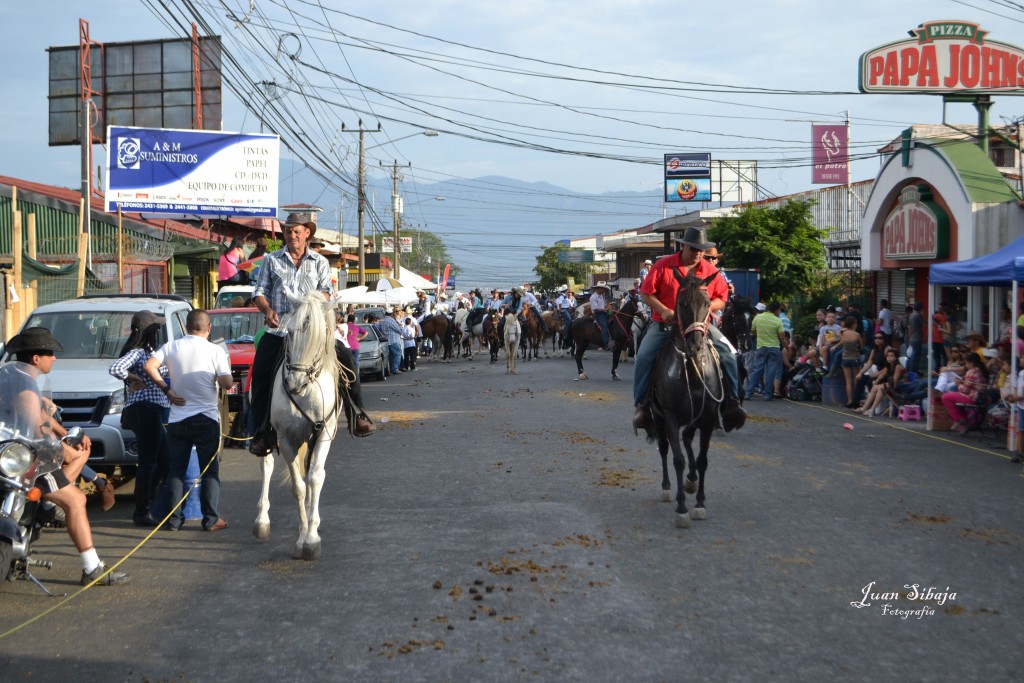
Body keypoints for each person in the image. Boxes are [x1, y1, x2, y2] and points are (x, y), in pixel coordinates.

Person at [0, 328, 129, 585]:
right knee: (76, 500)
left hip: (8, 451)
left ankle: (45, 508)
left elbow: (40, 413)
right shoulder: (24, 381)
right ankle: (92, 568)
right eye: (49, 353)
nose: (54, 358)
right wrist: (63, 448)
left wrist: (64, 433)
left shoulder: (9, 375)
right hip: (24, 456)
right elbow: (35, 424)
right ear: (36, 358)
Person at [248, 213, 374, 456]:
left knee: (346, 359)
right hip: (280, 329)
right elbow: (259, 291)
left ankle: (357, 414)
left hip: (314, 332)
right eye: (288, 231)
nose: (292, 235)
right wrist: (267, 310)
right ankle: (263, 432)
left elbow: (328, 292)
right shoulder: (271, 260)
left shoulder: (319, 262)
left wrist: (312, 304)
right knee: (261, 370)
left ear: (307, 233)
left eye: (297, 231)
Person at [632, 227, 746, 433]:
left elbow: (722, 297)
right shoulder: (663, 266)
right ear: (683, 245)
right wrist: (663, 310)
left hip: (701, 325)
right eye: (693, 249)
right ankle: (642, 406)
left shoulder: (710, 271)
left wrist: (707, 308)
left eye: (701, 250)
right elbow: (646, 293)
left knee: (730, 355)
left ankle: (732, 403)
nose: (698, 254)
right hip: (666, 325)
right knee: (643, 357)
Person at [144, 310, 233, 532]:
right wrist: (221, 378)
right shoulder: (215, 351)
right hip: (206, 419)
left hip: (178, 418)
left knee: (176, 470)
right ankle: (211, 519)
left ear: (185, 326)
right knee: (209, 471)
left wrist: (167, 390)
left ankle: (173, 520)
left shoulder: (171, 346)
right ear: (209, 327)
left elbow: (149, 366)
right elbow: (226, 382)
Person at [108, 310, 171, 527]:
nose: (160, 330)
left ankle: (149, 503)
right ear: (150, 330)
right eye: (157, 327)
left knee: (165, 461)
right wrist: (132, 377)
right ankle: (141, 511)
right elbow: (115, 368)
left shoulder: (151, 351)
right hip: (145, 410)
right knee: (148, 462)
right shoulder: (138, 352)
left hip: (151, 410)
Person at [746, 301, 786, 401]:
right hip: (774, 348)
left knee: (756, 370)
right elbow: (782, 337)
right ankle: (767, 395)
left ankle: (748, 393)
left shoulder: (758, 317)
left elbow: (753, 331)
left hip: (760, 348)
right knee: (770, 372)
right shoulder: (778, 321)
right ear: (776, 310)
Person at [941, 352, 990, 435]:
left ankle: (958, 419)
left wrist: (958, 384)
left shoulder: (972, 371)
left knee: (945, 397)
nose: (966, 365)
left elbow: (965, 390)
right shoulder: (980, 370)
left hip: (973, 397)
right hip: (979, 397)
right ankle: (964, 421)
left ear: (971, 363)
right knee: (952, 397)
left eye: (967, 363)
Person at [858, 347, 905, 416]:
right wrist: (876, 381)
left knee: (881, 388)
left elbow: (894, 382)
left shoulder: (898, 366)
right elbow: (882, 375)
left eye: (891, 356)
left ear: (896, 357)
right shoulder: (888, 366)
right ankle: (865, 408)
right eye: (887, 356)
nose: (889, 358)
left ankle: (872, 409)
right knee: (875, 387)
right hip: (890, 385)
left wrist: (882, 385)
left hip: (899, 386)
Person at [838, 315, 864, 408]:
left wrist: (844, 329)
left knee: (848, 381)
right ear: (853, 324)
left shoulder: (842, 333)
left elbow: (839, 334)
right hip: (855, 358)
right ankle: (855, 400)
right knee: (856, 380)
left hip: (845, 358)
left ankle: (849, 401)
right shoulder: (857, 335)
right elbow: (861, 346)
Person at [382, 307, 405, 374]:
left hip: (386, 341)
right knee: (398, 354)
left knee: (391, 356)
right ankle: (394, 369)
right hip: (393, 340)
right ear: (392, 313)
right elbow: (399, 330)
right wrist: (400, 326)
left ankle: (392, 368)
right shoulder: (391, 321)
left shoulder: (382, 321)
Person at [589, 282, 611, 350]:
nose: (604, 290)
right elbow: (595, 310)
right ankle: (606, 344)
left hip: (604, 313)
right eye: (603, 289)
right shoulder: (593, 297)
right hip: (598, 315)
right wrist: (606, 309)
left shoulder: (602, 295)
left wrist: (608, 307)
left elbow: (603, 305)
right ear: (599, 288)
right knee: (604, 326)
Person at [907, 302, 925, 374]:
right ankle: (914, 372)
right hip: (917, 338)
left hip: (912, 338)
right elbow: (924, 324)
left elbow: (909, 327)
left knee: (912, 355)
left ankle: (912, 371)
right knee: (916, 356)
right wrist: (923, 315)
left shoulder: (911, 315)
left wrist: (909, 337)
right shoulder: (918, 315)